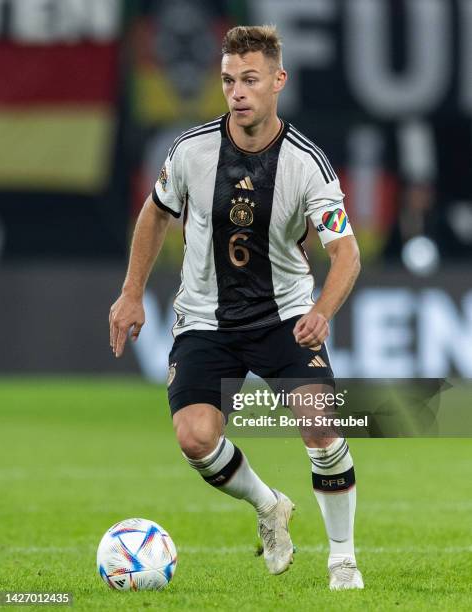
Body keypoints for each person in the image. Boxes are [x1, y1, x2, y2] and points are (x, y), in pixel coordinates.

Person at [109, 25, 362, 590]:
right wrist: (130, 292)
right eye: (228, 80)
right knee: (195, 437)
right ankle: (269, 505)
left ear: (278, 81)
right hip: (205, 318)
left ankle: (342, 557)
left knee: (321, 426)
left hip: (285, 319)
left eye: (249, 79)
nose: (237, 91)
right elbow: (155, 212)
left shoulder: (308, 164)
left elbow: (346, 253)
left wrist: (321, 309)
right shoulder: (191, 149)